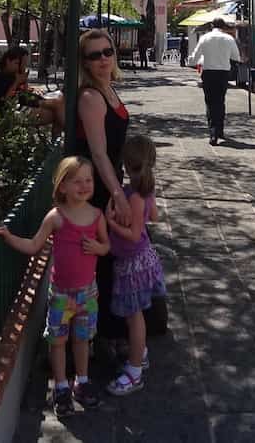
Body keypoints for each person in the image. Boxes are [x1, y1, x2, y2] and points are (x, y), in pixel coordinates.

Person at [0, 155, 110, 416]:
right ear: (63, 186)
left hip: (88, 292)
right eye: (77, 181)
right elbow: (34, 245)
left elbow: (106, 246)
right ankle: (60, 386)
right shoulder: (56, 217)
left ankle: (82, 381)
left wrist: (97, 247)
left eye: (88, 180)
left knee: (82, 340)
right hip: (60, 294)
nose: (84, 186)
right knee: (57, 342)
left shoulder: (96, 216)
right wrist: (10, 238)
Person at [74, 29, 132, 347]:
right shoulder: (90, 97)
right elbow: (98, 153)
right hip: (96, 190)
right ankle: (102, 338)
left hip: (112, 182)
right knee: (103, 263)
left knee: (111, 261)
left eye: (107, 52)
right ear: (84, 62)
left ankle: (107, 333)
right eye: (94, 55)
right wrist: (119, 196)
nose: (103, 60)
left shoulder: (109, 89)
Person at [104, 134, 167, 395]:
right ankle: (140, 352)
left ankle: (134, 370)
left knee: (135, 317)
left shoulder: (133, 196)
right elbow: (155, 216)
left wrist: (111, 222)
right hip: (141, 259)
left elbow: (133, 233)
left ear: (126, 165)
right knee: (136, 315)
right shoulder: (146, 190)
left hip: (133, 262)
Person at [0, 45, 64, 129]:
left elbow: (24, 93)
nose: (18, 67)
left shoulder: (13, 74)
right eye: (17, 63)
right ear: (8, 61)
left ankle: (57, 140)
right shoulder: (0, 76)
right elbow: (6, 100)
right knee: (56, 112)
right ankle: (60, 139)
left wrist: (24, 78)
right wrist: (17, 82)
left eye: (23, 64)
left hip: (23, 106)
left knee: (59, 105)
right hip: (10, 112)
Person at [189, 18, 241, 145]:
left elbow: (194, 59)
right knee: (220, 101)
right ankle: (220, 130)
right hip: (223, 73)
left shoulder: (205, 38)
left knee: (210, 102)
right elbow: (236, 57)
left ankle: (213, 133)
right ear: (223, 26)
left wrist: (193, 60)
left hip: (208, 73)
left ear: (212, 26)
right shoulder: (229, 39)